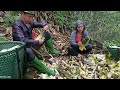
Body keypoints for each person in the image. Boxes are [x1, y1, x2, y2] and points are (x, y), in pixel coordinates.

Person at [12, 11, 60, 76]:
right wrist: (36, 42)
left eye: (32, 17)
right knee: (28, 52)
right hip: (22, 48)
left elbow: (38, 23)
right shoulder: (17, 24)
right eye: (29, 16)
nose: (31, 19)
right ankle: (44, 69)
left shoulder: (30, 22)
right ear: (23, 14)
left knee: (46, 34)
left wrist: (44, 25)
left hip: (32, 43)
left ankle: (51, 50)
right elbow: (21, 40)